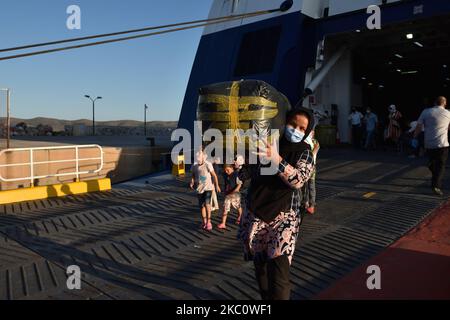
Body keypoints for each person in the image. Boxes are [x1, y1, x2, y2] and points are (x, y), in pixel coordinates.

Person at [238, 107, 315, 300]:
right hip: (256, 212)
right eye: (292, 124)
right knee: (261, 269)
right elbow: (249, 173)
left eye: (301, 128)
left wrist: (277, 160)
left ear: (306, 131)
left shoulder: (305, 153)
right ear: (284, 122)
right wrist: (237, 168)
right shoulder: (268, 143)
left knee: (279, 273)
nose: (295, 130)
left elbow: (298, 179)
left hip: (284, 218)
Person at [413, 96, 450, 196]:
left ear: (434, 102)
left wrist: (415, 137)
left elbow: (419, 126)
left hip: (429, 144)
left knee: (433, 163)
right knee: (441, 166)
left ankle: (433, 172)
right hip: (442, 144)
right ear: (444, 103)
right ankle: (436, 186)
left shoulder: (426, 112)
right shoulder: (448, 113)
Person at [190, 150, 221, 231]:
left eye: (199, 157)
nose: (198, 159)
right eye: (197, 158)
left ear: (203, 157)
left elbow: (214, 175)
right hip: (199, 188)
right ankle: (204, 221)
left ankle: (209, 222)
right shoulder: (194, 165)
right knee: (201, 206)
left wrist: (217, 185)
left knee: (207, 204)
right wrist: (192, 182)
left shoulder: (208, 164)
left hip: (208, 187)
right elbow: (193, 174)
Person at [217, 164, 243, 230]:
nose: (226, 171)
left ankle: (240, 216)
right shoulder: (225, 174)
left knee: (237, 206)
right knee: (225, 208)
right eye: (225, 170)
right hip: (228, 194)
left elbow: (239, 184)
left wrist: (236, 190)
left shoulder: (236, 174)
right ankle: (223, 223)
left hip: (235, 194)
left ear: (232, 168)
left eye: (227, 170)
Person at [304, 131, 320, 215]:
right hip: (306, 166)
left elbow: (312, 154)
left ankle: (312, 205)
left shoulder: (314, 142)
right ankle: (306, 203)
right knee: (306, 185)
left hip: (311, 166)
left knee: (310, 185)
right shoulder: (306, 141)